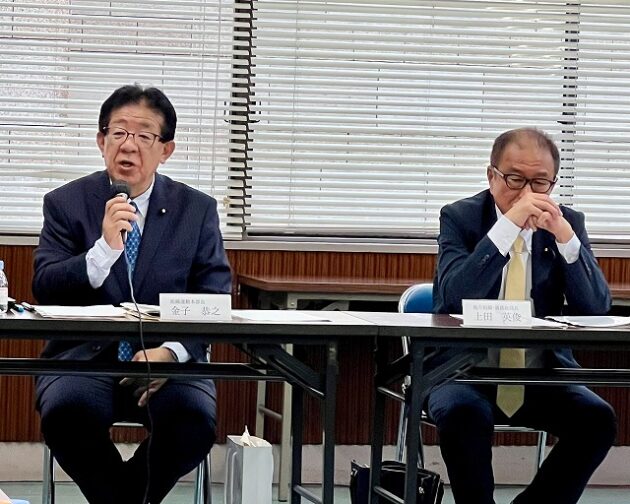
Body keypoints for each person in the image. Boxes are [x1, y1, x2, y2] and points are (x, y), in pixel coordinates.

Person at [33, 84, 232, 504]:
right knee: (66, 414)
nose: (129, 145)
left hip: (168, 364)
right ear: (101, 140)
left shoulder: (196, 210)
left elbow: (214, 297)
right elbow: (45, 286)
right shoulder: (65, 203)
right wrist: (103, 251)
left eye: (144, 135)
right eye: (119, 132)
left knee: (192, 421)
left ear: (166, 150)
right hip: (84, 360)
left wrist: (172, 353)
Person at [431, 128, 616, 504]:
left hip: (541, 374)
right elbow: (453, 297)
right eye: (514, 179)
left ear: (553, 184)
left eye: (539, 182)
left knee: (597, 419)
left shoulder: (567, 222)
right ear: (491, 176)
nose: (527, 193)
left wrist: (566, 239)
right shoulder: (460, 218)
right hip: (464, 371)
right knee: (463, 415)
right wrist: (507, 227)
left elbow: (596, 307)